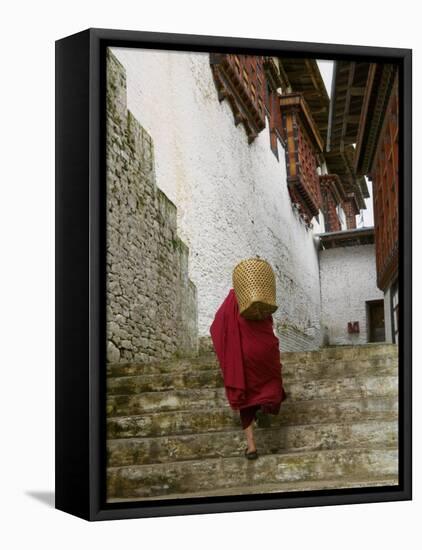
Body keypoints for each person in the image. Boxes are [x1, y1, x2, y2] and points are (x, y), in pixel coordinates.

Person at [210, 288, 286, 460]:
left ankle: (251, 447)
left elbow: (216, 327)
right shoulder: (261, 298)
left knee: (245, 396)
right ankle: (265, 406)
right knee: (270, 381)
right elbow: (269, 323)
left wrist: (227, 349)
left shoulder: (232, 298)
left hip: (244, 354)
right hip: (265, 349)